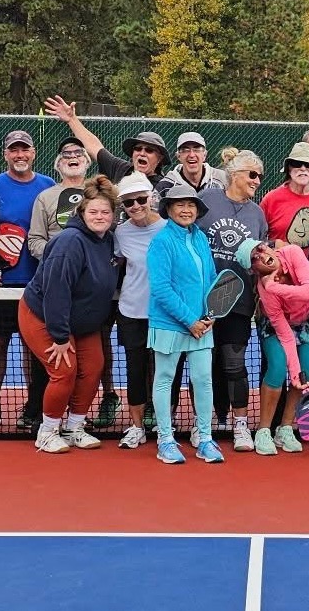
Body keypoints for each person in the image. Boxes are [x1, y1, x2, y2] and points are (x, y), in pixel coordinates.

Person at [18, 177, 122, 454]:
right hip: (42, 315)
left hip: (84, 322)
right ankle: (47, 431)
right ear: (82, 213)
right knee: (64, 371)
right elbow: (56, 292)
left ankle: (75, 427)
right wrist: (61, 336)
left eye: (105, 212)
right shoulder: (69, 243)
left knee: (94, 367)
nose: (99, 217)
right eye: (93, 212)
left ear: (113, 216)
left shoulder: (109, 241)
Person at [0, 130, 56, 432]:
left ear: (34, 153)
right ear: (6, 154)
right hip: (0, 284)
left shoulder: (48, 186)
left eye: (25, 149)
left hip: (37, 285)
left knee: (32, 348)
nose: (20, 155)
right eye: (14, 150)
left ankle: (31, 406)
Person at [146, 184, 224, 464]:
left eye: (190, 204)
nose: (185, 209)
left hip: (202, 324)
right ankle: (165, 440)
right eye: (179, 204)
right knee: (165, 380)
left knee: (203, 379)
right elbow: (161, 288)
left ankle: (205, 439)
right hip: (169, 324)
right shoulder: (162, 241)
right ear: (168, 209)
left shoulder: (200, 237)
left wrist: (211, 313)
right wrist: (190, 320)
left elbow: (212, 276)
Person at [197, 149, 268, 452]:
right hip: (201, 299)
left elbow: (261, 258)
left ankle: (241, 425)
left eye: (260, 176)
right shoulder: (208, 199)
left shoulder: (257, 213)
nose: (257, 180)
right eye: (252, 174)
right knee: (203, 366)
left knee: (234, 363)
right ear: (234, 174)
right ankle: (204, 425)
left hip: (238, 302)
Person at [23, 134, 94, 431]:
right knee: (52, 362)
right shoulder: (46, 197)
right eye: (66, 153)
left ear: (88, 161)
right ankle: (39, 415)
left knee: (91, 362)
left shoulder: (99, 194)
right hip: (52, 290)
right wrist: (58, 256)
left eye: (78, 152)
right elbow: (35, 240)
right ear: (58, 164)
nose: (73, 156)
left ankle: (77, 419)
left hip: (89, 295)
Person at [238, 237, 309, 455]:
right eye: (255, 259)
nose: (262, 256)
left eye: (261, 249)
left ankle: (285, 428)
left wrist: (275, 287)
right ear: (254, 270)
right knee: (277, 366)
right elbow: (285, 335)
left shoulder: (293, 253)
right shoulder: (263, 290)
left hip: (304, 320)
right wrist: (293, 371)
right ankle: (264, 430)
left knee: (307, 371)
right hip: (278, 324)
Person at [112, 172, 168, 449]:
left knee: (165, 372)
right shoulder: (121, 233)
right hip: (131, 312)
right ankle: (136, 427)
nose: (135, 206)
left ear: (152, 198)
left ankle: (163, 424)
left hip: (165, 315)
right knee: (135, 370)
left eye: (141, 199)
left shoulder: (171, 229)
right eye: (128, 202)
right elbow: (117, 266)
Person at [41, 94, 171, 189]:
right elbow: (94, 147)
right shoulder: (121, 169)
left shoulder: (163, 186)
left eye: (149, 150)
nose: (142, 153)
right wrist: (72, 120)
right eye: (138, 148)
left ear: (159, 158)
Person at [259, 141, 309, 246]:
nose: (303, 168)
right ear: (289, 169)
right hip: (281, 261)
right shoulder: (272, 199)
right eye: (297, 164)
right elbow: (257, 238)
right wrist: (274, 245)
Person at [160, 131, 227, 193]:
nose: (191, 155)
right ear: (178, 156)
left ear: (204, 155)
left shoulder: (223, 179)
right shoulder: (166, 186)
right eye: (186, 150)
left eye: (196, 149)